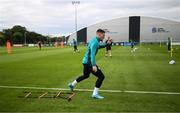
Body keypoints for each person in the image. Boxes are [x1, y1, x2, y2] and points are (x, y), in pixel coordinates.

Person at [68, 29, 112, 99]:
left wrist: (107, 44)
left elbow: (99, 46)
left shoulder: (95, 40)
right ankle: (95, 94)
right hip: (89, 63)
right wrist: (94, 65)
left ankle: (72, 85)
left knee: (85, 75)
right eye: (103, 35)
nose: (104, 37)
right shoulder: (95, 42)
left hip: (85, 62)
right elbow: (92, 55)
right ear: (99, 34)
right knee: (101, 76)